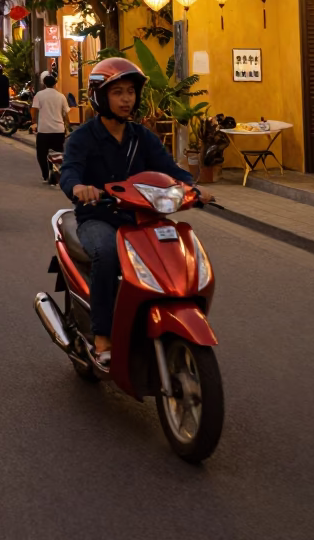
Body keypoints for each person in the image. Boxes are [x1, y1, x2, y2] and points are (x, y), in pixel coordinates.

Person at [59, 57, 207, 370]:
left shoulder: (142, 137)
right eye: (118, 93)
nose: (127, 99)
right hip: (98, 218)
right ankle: (102, 336)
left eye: (130, 92)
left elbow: (168, 168)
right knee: (107, 253)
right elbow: (69, 172)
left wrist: (193, 187)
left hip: (142, 218)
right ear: (100, 97)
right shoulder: (82, 137)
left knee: (174, 250)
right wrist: (79, 188)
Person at [30, 72, 70, 182]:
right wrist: (67, 126)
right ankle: (55, 171)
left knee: (41, 153)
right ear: (55, 84)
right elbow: (66, 113)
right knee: (58, 153)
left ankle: (45, 174)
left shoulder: (39, 95)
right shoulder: (61, 96)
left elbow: (33, 109)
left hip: (44, 130)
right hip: (58, 129)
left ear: (44, 84)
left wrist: (33, 122)